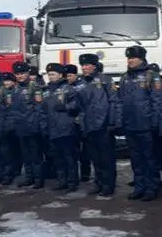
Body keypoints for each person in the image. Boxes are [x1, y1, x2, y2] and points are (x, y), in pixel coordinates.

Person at [118, 46, 162, 201]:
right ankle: (140, 187)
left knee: (149, 158)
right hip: (130, 125)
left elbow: (157, 101)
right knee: (136, 159)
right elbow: (120, 101)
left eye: (133, 58)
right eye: (128, 58)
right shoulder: (125, 77)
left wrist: (154, 122)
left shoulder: (152, 76)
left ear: (142, 59)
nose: (130, 60)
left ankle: (152, 188)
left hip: (146, 125)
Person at [75, 53, 119, 196]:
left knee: (107, 158)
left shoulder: (105, 80)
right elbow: (79, 106)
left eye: (88, 65)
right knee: (95, 158)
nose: (85, 68)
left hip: (104, 125)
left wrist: (112, 122)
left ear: (94, 66)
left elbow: (113, 101)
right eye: (83, 65)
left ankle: (109, 185)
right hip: (89, 125)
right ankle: (98, 183)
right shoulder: (80, 83)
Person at [40, 63, 78, 191]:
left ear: (60, 75)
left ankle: (72, 182)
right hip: (52, 129)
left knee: (69, 157)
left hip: (66, 128)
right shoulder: (46, 91)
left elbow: (76, 106)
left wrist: (65, 107)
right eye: (49, 74)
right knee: (57, 157)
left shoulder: (69, 89)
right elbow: (43, 111)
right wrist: (44, 126)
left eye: (53, 74)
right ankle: (62, 181)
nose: (50, 77)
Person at [10, 62, 44, 188]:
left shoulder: (34, 87)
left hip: (32, 126)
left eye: (22, 73)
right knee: (26, 154)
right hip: (20, 127)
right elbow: (13, 108)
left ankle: (38, 179)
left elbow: (39, 108)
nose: (20, 76)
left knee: (36, 155)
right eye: (17, 74)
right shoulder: (15, 89)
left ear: (28, 73)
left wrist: (34, 123)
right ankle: (29, 177)